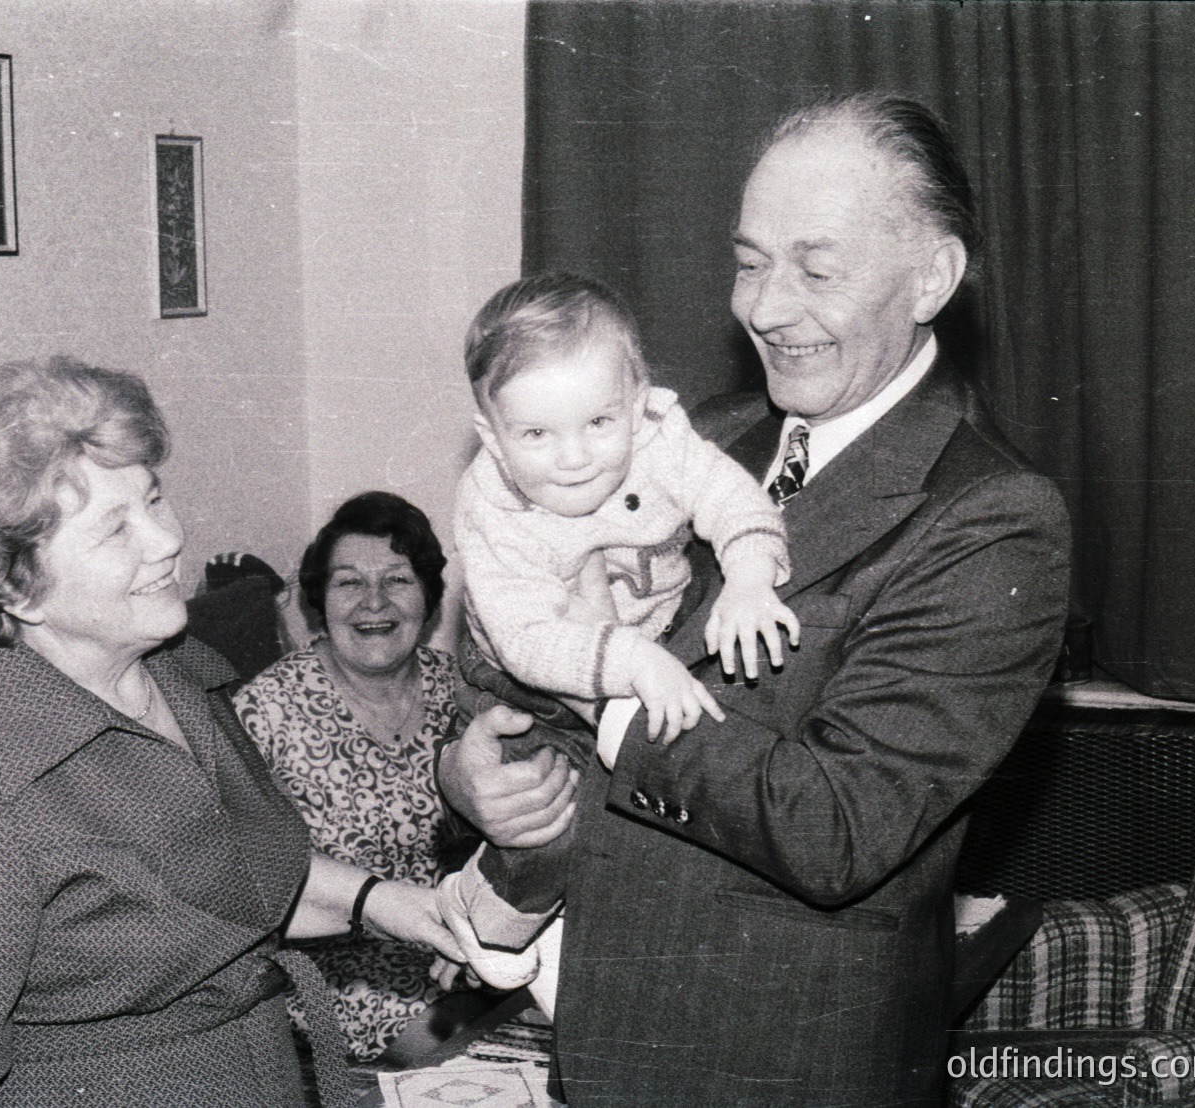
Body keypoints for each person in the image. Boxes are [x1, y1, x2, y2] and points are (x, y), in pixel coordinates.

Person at [439, 92, 1072, 1106]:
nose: (764, 307)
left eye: (814, 269)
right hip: (602, 1041)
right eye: (747, 261)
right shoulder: (703, 434)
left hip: (779, 1069)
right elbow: (505, 617)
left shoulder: (991, 519)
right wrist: (469, 766)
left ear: (930, 277)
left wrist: (609, 691)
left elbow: (835, 825)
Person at [0, 357, 462, 1108]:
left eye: (154, 498)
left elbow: (239, 890)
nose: (166, 539)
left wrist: (404, 908)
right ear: (15, 586)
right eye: (115, 529)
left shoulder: (182, 674)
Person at [439, 272, 797, 986]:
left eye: (599, 423)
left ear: (637, 407)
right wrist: (631, 658)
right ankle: (484, 913)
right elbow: (527, 639)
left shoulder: (664, 437)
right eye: (536, 433)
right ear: (492, 434)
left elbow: (732, 500)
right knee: (548, 823)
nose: (573, 458)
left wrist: (753, 573)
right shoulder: (490, 504)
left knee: (625, 809)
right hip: (521, 676)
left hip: (648, 643)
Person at [234, 491, 470, 1061]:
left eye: (397, 579)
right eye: (348, 583)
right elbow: (241, 886)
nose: (374, 602)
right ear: (319, 600)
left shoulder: (464, 691)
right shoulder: (264, 711)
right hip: (332, 986)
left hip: (462, 960)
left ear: (429, 598)